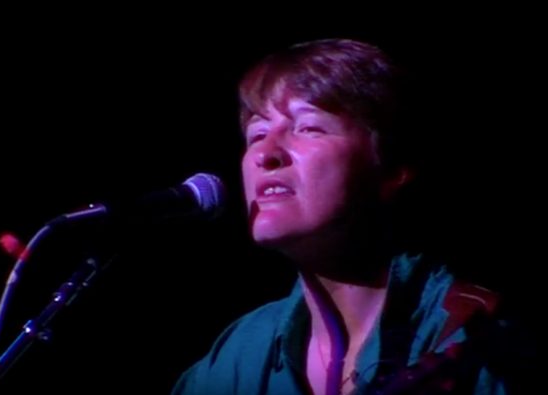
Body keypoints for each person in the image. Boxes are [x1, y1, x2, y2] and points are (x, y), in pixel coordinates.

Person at [171, 38, 529, 395]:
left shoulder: (472, 335)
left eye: (308, 127)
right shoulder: (244, 353)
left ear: (392, 167)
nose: (265, 154)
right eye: (257, 134)